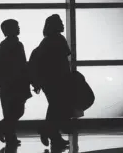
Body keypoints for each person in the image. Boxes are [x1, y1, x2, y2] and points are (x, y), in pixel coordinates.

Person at [34, 14, 74, 149]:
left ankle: (53, 134)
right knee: (56, 108)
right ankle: (50, 132)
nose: (63, 24)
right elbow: (64, 59)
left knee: (54, 107)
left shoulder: (45, 42)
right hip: (57, 80)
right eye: (61, 22)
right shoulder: (59, 40)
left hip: (48, 81)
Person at [0, 19, 32, 146]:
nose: (19, 28)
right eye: (17, 26)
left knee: (10, 111)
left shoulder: (4, 45)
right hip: (15, 84)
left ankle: (10, 135)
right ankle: (3, 129)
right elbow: (21, 65)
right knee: (17, 111)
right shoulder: (16, 45)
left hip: (6, 85)